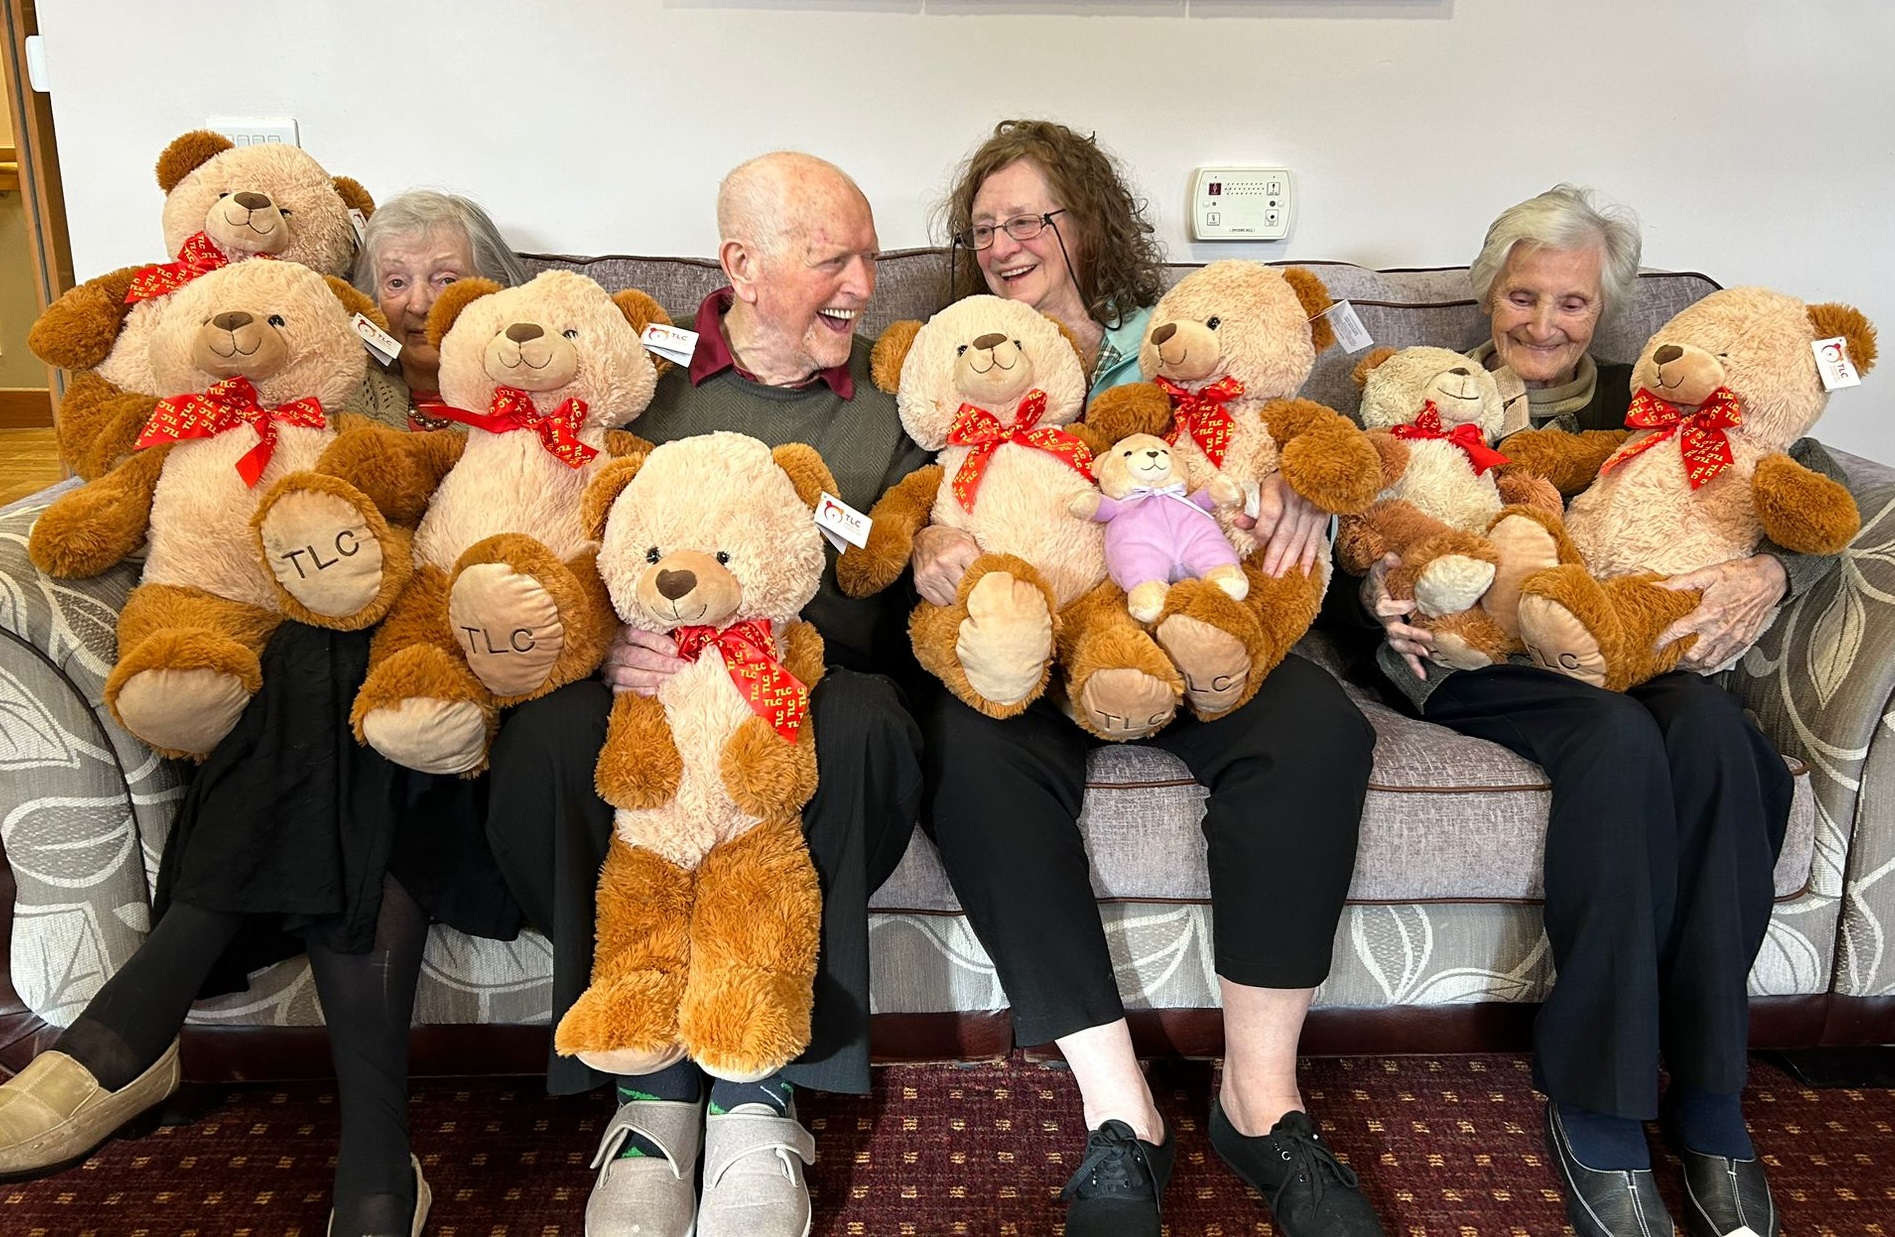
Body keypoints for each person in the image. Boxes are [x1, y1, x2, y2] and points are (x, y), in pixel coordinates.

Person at [0, 192, 532, 1235]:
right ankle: (377, 1159)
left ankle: (131, 1028)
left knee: (339, 651)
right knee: (325, 651)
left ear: (499, 291)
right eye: (395, 277)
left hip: (480, 737)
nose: (421, 302)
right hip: (353, 761)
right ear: (357, 299)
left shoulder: (553, 398)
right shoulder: (324, 394)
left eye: (446, 274)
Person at [920, 118, 1386, 1237]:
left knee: (1317, 731)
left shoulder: (1166, 339)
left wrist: (1304, 489)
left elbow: (1271, 430)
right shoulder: (952, 353)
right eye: (983, 226)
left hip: (1182, 627)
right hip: (1037, 645)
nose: (1004, 242)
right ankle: (1118, 1112)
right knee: (967, 758)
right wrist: (933, 551)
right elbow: (920, 496)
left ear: (1087, 221)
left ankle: (1257, 1100)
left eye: (1030, 217)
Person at [1358, 184, 1846, 1237]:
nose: (1542, 322)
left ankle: (1712, 1100)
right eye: (1521, 295)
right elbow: (1360, 511)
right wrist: (1379, 598)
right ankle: (1600, 1104)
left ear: (1603, 309)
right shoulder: (1424, 399)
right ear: (1488, 294)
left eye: (1569, 303)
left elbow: (1789, 488)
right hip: (1479, 654)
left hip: (1628, 639)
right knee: (1616, 746)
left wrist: (1766, 575)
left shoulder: (1652, 399)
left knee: (1723, 746)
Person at [479, 150, 929, 1237]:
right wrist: (596, 649)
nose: (865, 286)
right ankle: (649, 1094)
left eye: (869, 257)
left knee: (866, 725)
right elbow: (573, 533)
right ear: (741, 262)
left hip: (820, 685)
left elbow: (917, 542)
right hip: (656, 686)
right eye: (836, 260)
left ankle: (759, 1086)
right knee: (548, 735)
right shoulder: (647, 383)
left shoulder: (890, 394)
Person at [348, 190, 530, 429]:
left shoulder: (537, 393)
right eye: (396, 282)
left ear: (496, 288)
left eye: (446, 280)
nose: (419, 305)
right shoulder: (347, 392)